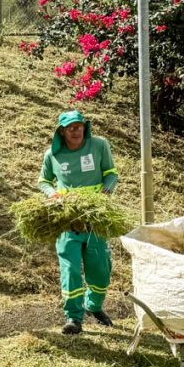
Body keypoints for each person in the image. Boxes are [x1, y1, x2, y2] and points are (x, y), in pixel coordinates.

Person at [38, 111, 118, 335]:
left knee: (101, 269)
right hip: (67, 221)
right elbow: (43, 180)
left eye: (79, 126)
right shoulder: (53, 154)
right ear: (62, 131)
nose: (76, 131)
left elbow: (111, 174)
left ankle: (93, 306)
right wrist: (52, 193)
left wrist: (106, 191)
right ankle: (73, 316)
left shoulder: (99, 146)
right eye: (70, 128)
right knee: (70, 269)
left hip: (95, 219)